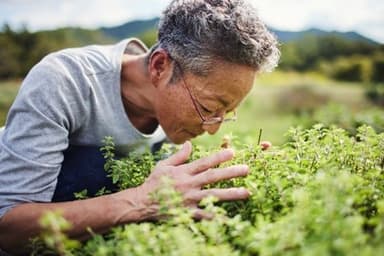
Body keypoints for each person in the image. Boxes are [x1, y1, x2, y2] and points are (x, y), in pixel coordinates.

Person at [0, 0, 280, 254]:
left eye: (225, 114)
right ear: (159, 67)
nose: (212, 129)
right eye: (208, 109)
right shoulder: (63, 82)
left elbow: (166, 181)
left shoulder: (175, 105)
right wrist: (142, 201)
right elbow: (9, 227)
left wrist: (238, 169)